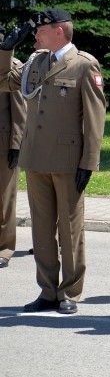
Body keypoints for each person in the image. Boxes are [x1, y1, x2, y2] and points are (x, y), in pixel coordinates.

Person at [0, 9, 106, 314]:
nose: (35, 35)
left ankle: (70, 291)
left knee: (70, 229)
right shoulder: (36, 62)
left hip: (68, 160)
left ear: (58, 31)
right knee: (42, 230)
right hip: (36, 158)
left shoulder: (84, 65)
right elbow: (3, 80)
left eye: (40, 30)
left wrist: (89, 162)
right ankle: (47, 290)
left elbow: (95, 118)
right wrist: (6, 50)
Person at [0, 28, 25, 270]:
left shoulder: (12, 66)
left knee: (5, 200)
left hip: (3, 143)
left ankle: (5, 248)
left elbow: (19, 110)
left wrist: (16, 145)